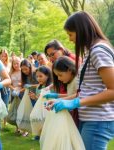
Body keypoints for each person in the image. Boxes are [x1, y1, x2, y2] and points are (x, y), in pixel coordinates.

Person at [46, 11, 114, 150]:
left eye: (71, 34)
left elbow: (112, 90)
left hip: (98, 121)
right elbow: (87, 91)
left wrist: (76, 102)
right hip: (91, 119)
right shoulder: (91, 51)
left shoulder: (98, 51)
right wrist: (63, 100)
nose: (70, 40)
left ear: (81, 30)